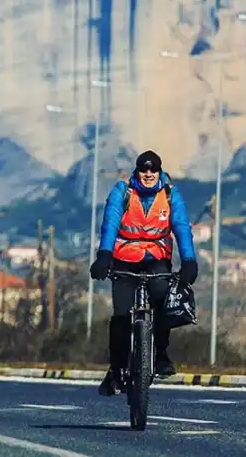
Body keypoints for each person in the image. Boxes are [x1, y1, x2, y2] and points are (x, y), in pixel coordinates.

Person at [90, 150, 199, 396]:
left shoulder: (170, 194)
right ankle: (117, 368)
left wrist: (189, 261)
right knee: (121, 314)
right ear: (137, 171)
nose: (148, 174)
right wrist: (104, 254)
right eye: (144, 169)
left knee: (162, 301)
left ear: (159, 172)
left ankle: (160, 354)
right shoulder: (123, 192)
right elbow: (111, 223)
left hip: (156, 260)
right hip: (124, 259)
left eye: (153, 170)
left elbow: (181, 227)